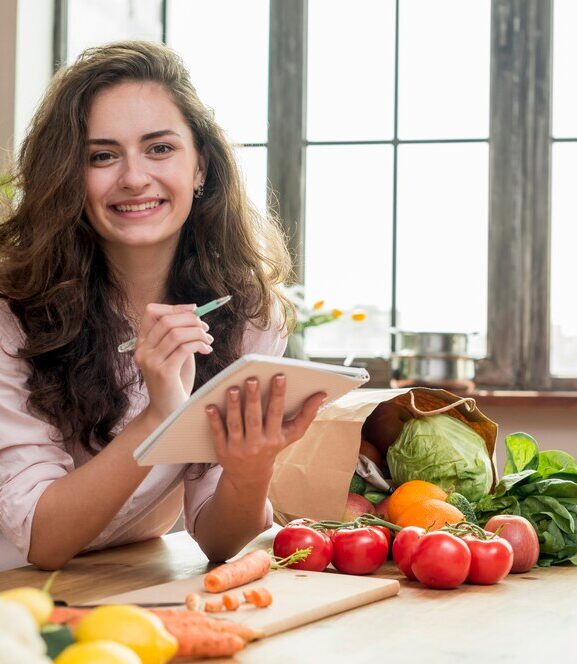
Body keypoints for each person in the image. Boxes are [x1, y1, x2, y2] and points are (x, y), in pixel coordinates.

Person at [0, 40, 325, 571]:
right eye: (101, 156)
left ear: (200, 167)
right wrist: (158, 415)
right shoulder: (11, 312)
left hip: (116, 581)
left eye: (160, 148)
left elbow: (223, 544)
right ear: (68, 179)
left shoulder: (248, 315)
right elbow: (43, 539)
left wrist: (249, 470)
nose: (133, 177)